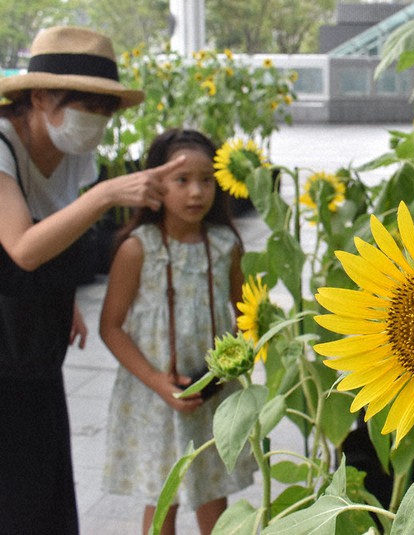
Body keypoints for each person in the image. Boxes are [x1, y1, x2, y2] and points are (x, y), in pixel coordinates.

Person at [0, 26, 184, 534]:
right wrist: (104, 196)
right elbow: (22, 247)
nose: (97, 122)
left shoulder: (70, 153)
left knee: (46, 475)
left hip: (34, 339)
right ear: (39, 96)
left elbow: (54, 237)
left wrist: (65, 302)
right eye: (87, 106)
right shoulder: (2, 147)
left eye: (106, 110)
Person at [101, 128, 254, 535]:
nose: (196, 193)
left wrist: (234, 366)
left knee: (213, 491)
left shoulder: (225, 245)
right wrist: (155, 380)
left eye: (207, 180)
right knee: (162, 494)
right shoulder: (138, 248)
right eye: (181, 180)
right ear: (155, 184)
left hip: (212, 396)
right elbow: (111, 328)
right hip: (154, 397)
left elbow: (247, 316)